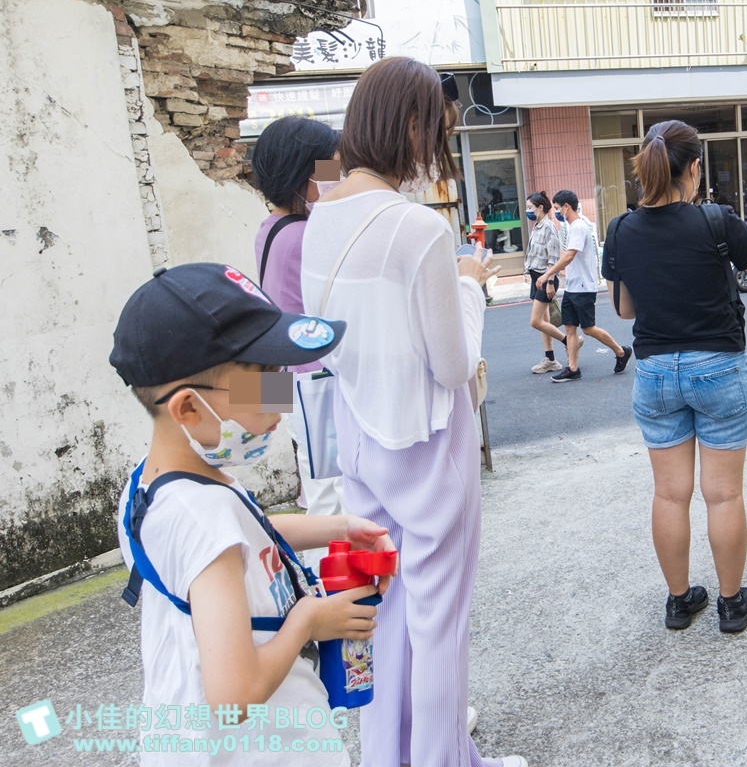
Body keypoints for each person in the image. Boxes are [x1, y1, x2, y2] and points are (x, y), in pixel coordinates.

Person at [300, 57, 525, 767]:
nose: (437, 152)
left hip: (361, 440)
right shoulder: (417, 229)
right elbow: (452, 366)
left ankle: (388, 755)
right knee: (439, 626)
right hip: (429, 448)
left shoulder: (318, 218)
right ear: (410, 125)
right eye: (438, 132)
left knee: (384, 612)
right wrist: (469, 285)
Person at [109, 262, 395, 765]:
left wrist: (340, 526)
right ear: (188, 409)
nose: (281, 401)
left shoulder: (157, 481)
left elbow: (244, 536)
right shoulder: (201, 513)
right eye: (263, 381)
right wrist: (309, 619)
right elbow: (234, 697)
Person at [601, 120, 747, 632]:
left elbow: (623, 309)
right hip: (717, 368)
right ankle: (731, 604)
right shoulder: (715, 221)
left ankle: (679, 601)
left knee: (669, 494)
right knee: (723, 494)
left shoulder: (620, 229)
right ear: (695, 168)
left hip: (656, 373)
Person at [251, 115, 345, 564]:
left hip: (286, 375)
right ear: (305, 172)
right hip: (315, 379)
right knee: (330, 489)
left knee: (315, 479)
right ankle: (325, 582)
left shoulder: (269, 227)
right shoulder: (307, 235)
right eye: (328, 168)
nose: (334, 178)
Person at [537, 190, 632, 382]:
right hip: (572, 287)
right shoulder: (572, 227)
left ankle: (621, 352)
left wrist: (547, 274)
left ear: (566, 207)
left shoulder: (579, 227)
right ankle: (573, 369)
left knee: (588, 328)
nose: (556, 212)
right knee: (570, 327)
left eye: (557, 208)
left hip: (583, 287)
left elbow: (569, 255)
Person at [524, 191, 568, 374]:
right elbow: (533, 252)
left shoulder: (548, 227)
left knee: (535, 321)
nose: (527, 211)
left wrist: (550, 281)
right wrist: (527, 271)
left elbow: (553, 257)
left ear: (540, 207)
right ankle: (550, 359)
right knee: (544, 320)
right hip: (537, 279)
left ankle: (569, 341)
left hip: (545, 279)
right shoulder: (537, 226)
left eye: (530, 207)